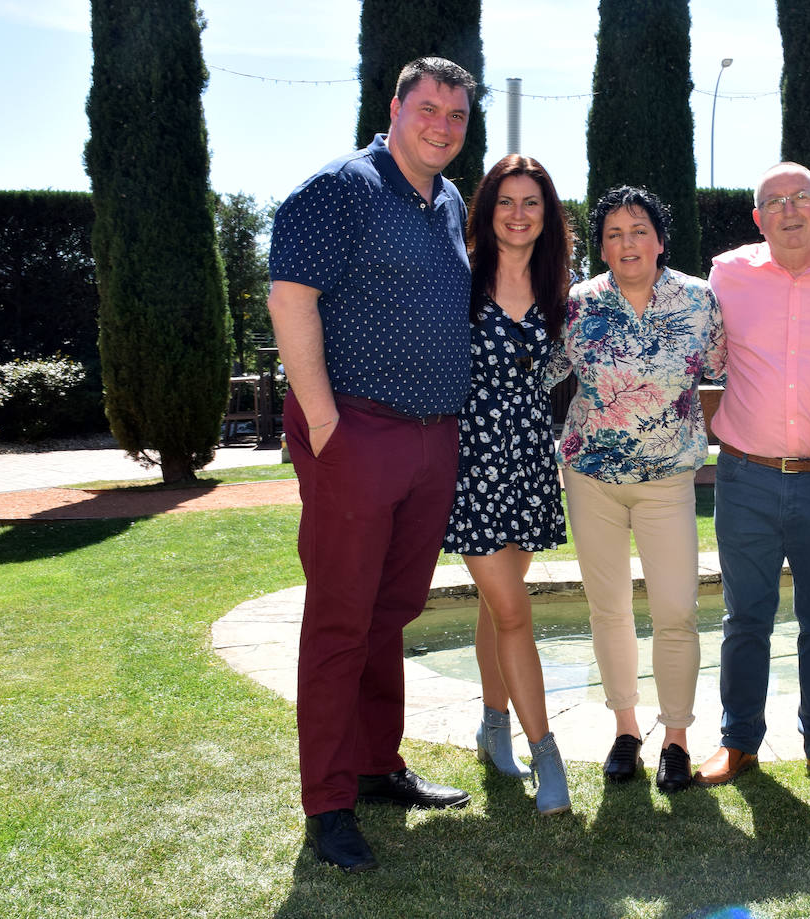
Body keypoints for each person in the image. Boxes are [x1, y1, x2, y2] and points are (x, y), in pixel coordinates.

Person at [268, 57, 476, 873]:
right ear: (394, 107)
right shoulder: (339, 188)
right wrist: (325, 425)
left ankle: (376, 762)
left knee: (390, 610)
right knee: (338, 619)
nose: (442, 125)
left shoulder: (450, 200)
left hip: (433, 435)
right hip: (356, 430)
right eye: (428, 108)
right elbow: (291, 300)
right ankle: (328, 802)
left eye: (456, 115)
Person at [694, 162, 810, 793]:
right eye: (774, 202)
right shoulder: (726, 275)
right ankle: (738, 740)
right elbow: (701, 358)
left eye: (801, 198)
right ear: (757, 218)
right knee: (746, 617)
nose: (789, 210)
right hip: (744, 475)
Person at [548, 185, 726, 794]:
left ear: (660, 239)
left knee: (676, 610)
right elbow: (542, 370)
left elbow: (735, 370)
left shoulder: (700, 302)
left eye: (639, 230)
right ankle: (626, 729)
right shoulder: (577, 304)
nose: (628, 243)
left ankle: (676, 738)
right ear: (602, 246)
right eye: (615, 233)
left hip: (669, 481)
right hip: (590, 477)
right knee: (609, 609)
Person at [442, 155, 572, 815]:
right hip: (471, 464)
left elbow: (558, 372)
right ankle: (546, 750)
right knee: (515, 610)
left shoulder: (560, 290)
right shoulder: (457, 276)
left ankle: (492, 726)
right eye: (506, 202)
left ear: (546, 216)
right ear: (487, 209)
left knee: (500, 605)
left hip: (527, 458)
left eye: (532, 203)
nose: (518, 215)